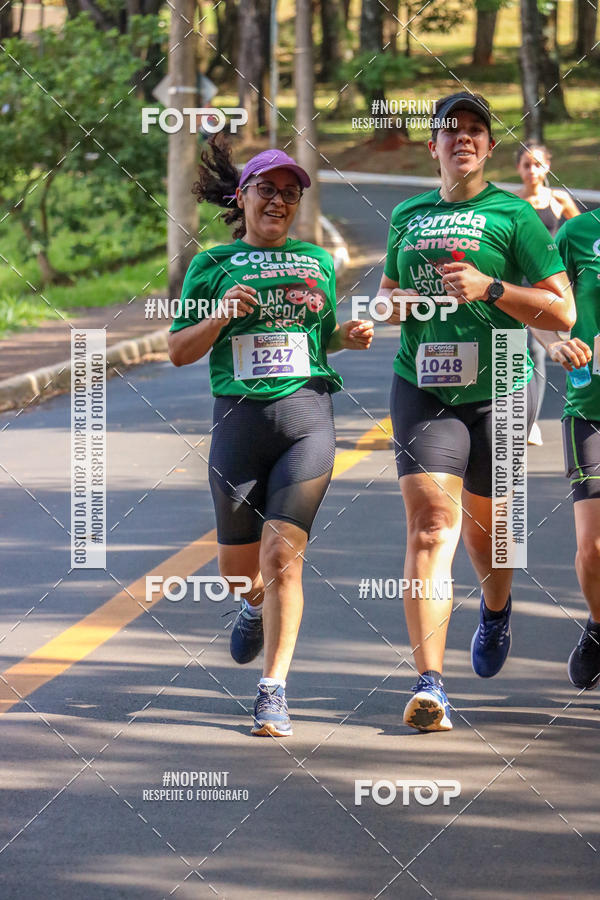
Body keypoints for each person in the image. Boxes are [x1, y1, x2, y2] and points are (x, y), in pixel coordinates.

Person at [376, 92, 575, 732]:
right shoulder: (407, 214)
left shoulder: (513, 215)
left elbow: (562, 310)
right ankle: (430, 684)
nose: (462, 137)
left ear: (489, 147)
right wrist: (392, 306)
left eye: (475, 130)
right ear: (431, 144)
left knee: (492, 532)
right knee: (431, 527)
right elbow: (385, 297)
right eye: (450, 129)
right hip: (424, 384)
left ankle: (495, 609)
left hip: (503, 384)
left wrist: (491, 288)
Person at [168, 135, 373, 737]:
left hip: (307, 420)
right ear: (243, 197)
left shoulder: (317, 262)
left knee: (283, 556)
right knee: (239, 571)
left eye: (290, 193)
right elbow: (178, 350)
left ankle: (273, 689)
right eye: (268, 190)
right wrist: (221, 315)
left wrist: (345, 337)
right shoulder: (211, 265)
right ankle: (251, 604)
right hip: (239, 424)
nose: (279, 201)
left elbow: (320, 336)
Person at [530, 210, 600, 690]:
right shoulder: (579, 233)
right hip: (591, 408)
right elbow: (537, 306)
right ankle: (598, 625)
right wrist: (555, 344)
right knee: (592, 548)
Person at [515, 144, 580, 446]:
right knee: (527, 348)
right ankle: (525, 419)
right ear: (518, 168)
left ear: (547, 167)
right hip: (520, 285)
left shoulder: (559, 199)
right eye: (527, 165)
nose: (532, 171)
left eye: (537, 164)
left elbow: (581, 233)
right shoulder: (512, 202)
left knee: (551, 348)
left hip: (551, 287)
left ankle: (539, 420)